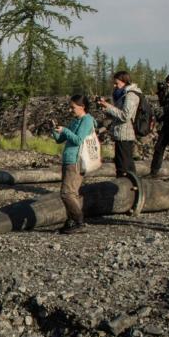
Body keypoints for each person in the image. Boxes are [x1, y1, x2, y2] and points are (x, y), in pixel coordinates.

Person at [51, 94, 96, 234]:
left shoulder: (87, 120)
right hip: (68, 160)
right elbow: (60, 140)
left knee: (66, 193)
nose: (71, 110)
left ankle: (78, 221)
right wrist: (54, 129)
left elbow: (78, 140)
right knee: (72, 193)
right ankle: (71, 221)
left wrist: (65, 130)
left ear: (82, 107)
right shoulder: (75, 121)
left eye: (73, 107)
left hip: (76, 161)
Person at [97, 71, 143, 177]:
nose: (115, 86)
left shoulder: (131, 95)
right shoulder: (122, 95)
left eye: (117, 83)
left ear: (124, 82)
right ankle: (128, 184)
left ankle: (128, 185)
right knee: (121, 162)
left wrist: (108, 106)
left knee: (124, 164)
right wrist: (105, 107)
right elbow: (116, 114)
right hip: (120, 133)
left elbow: (125, 116)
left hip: (126, 134)